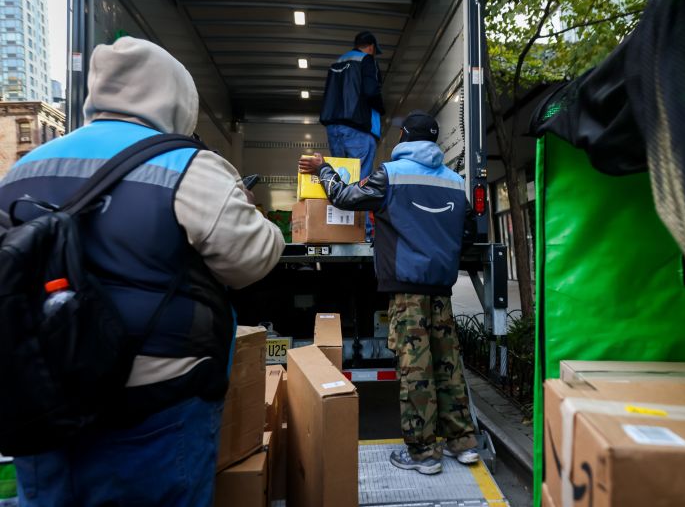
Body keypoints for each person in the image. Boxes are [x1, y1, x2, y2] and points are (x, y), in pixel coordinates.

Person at [0, 37, 285, 505]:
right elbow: (251, 258)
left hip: (39, 402)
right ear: (177, 97)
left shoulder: (23, 168)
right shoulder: (187, 164)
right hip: (153, 405)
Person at [298, 110, 478, 475]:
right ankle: (463, 444)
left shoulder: (391, 175)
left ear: (406, 139)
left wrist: (322, 170)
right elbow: (468, 233)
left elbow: (346, 198)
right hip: (441, 288)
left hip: (406, 290)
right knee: (448, 365)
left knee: (416, 369)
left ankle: (423, 453)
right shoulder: (455, 182)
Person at [319, 30, 386, 239]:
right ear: (371, 47)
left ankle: (341, 230)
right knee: (362, 182)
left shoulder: (337, 63)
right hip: (357, 129)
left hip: (334, 128)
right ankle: (362, 233)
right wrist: (382, 109)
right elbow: (371, 91)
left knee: (339, 179)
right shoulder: (366, 60)